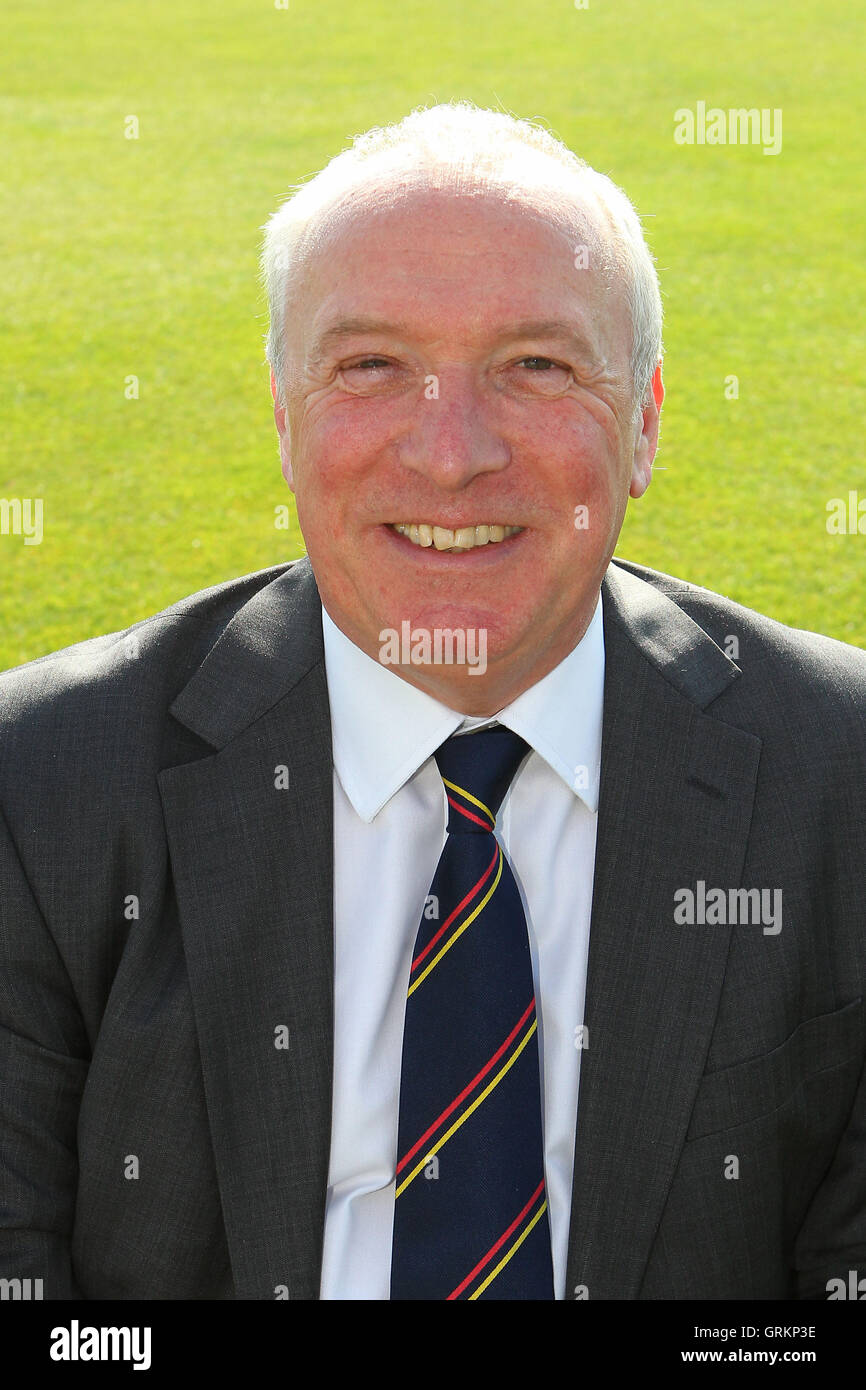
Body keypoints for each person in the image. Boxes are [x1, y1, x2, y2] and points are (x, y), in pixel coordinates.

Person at [1, 101, 864, 1302]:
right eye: (370, 366)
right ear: (282, 410)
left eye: (535, 366)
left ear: (647, 424)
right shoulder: (41, 783)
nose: (449, 452)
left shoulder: (839, 773)